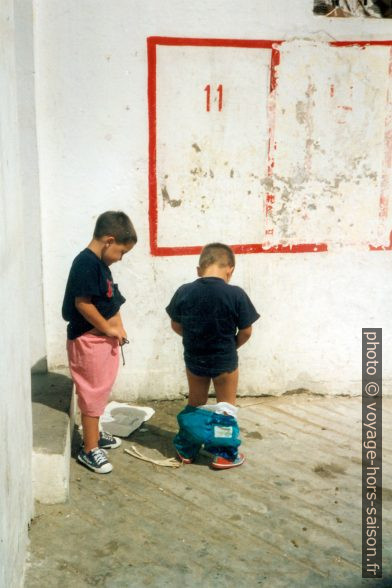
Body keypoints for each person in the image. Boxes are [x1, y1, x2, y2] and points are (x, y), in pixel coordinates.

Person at [166, 243, 260, 469]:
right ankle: (224, 454)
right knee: (225, 408)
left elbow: (176, 325)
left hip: (194, 359)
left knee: (195, 404)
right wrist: (230, 346)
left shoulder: (184, 291)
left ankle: (187, 449)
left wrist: (195, 340)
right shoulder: (236, 294)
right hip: (225, 361)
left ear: (199, 269)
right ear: (230, 270)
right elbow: (246, 331)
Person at [62, 211, 137, 473]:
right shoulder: (85, 263)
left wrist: (118, 327)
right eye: (121, 251)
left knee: (100, 390)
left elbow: (109, 300)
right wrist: (108, 327)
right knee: (92, 393)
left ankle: (94, 433)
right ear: (109, 240)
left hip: (101, 341)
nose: (120, 258)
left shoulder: (100, 265)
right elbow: (82, 304)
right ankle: (89, 449)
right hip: (88, 341)